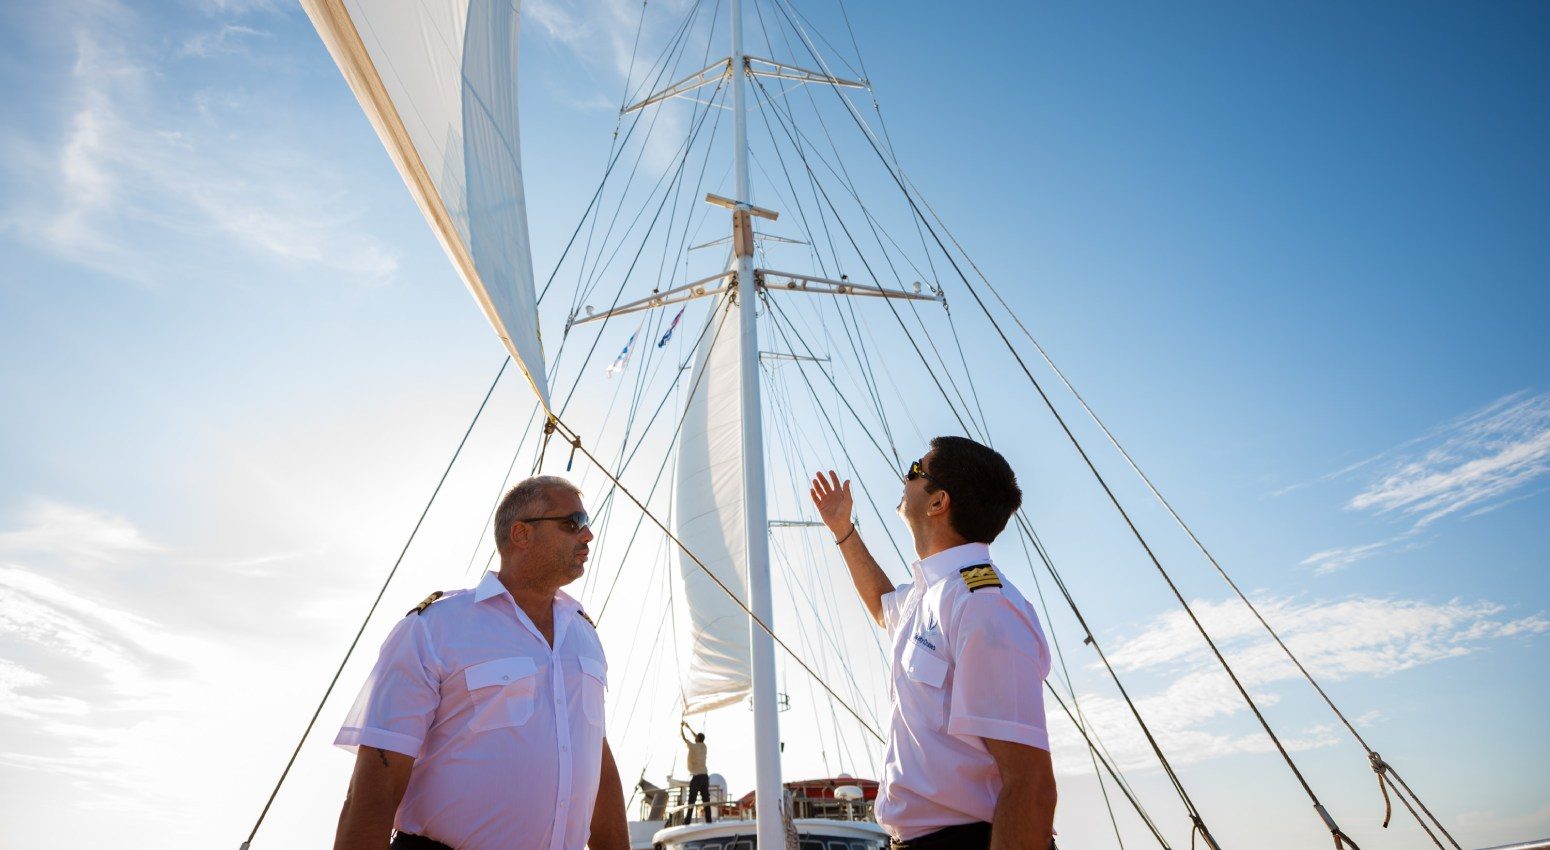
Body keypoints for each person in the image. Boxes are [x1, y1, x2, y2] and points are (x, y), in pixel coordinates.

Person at [332, 475, 629, 850]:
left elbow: (595, 760)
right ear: (521, 534)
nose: (587, 536)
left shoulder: (584, 636)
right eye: (574, 523)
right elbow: (376, 784)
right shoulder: (435, 628)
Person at [810, 437, 1057, 850]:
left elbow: (1030, 784)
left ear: (938, 501)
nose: (904, 478)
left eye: (914, 470)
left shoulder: (984, 607)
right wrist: (843, 531)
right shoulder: (932, 592)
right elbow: (880, 606)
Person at [678, 721, 713, 824]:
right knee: (706, 800)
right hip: (705, 777)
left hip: (697, 777)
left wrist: (681, 728)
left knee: (692, 800)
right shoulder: (704, 746)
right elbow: (697, 736)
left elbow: (684, 738)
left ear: (698, 738)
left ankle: (687, 821)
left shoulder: (693, 746)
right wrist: (688, 727)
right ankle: (709, 820)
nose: (695, 737)